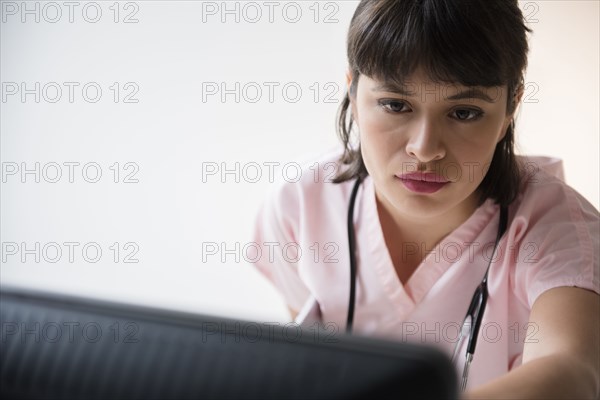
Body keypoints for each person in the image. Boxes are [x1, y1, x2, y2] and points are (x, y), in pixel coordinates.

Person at [251, 0, 599, 398]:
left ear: (510, 109)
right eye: (396, 105)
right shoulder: (300, 202)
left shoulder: (555, 227)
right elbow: (308, 364)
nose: (425, 148)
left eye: (464, 112)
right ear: (352, 88)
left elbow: (572, 371)